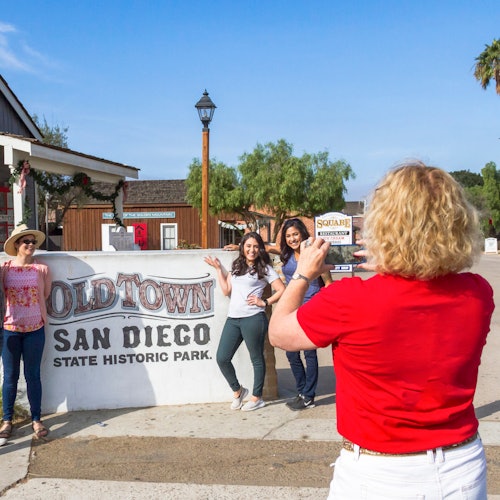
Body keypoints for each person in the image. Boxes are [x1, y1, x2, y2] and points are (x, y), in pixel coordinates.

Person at [269, 162, 495, 498]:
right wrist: (398, 265)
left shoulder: (350, 300)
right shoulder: (477, 292)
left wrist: (303, 274)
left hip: (380, 473)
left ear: (385, 226)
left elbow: (280, 332)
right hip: (460, 465)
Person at [205, 232, 285, 411]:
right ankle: (238, 391)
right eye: (248, 246)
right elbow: (226, 290)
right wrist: (218, 269)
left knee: (256, 359)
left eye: (256, 246)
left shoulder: (264, 268)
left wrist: (264, 302)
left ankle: (257, 397)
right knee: (222, 358)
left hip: (253, 318)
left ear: (260, 249)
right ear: (242, 247)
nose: (252, 250)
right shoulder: (237, 266)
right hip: (233, 319)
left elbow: (282, 290)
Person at [0, 224, 52, 446]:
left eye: (33, 242)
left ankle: (36, 419)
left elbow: (45, 293)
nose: (31, 245)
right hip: (10, 330)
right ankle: (7, 420)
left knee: (33, 376)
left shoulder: (42, 270)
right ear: (16, 245)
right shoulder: (4, 269)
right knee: (10, 377)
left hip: (35, 330)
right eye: (26, 242)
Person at [275, 218, 332, 411]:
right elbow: (270, 249)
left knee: (309, 353)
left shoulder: (313, 255)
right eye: (288, 236)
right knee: (291, 353)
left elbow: (328, 283)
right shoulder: (287, 254)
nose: (292, 239)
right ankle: (301, 391)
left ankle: (309, 396)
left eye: (295, 234)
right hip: (292, 307)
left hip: (311, 306)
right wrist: (239, 245)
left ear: (302, 234)